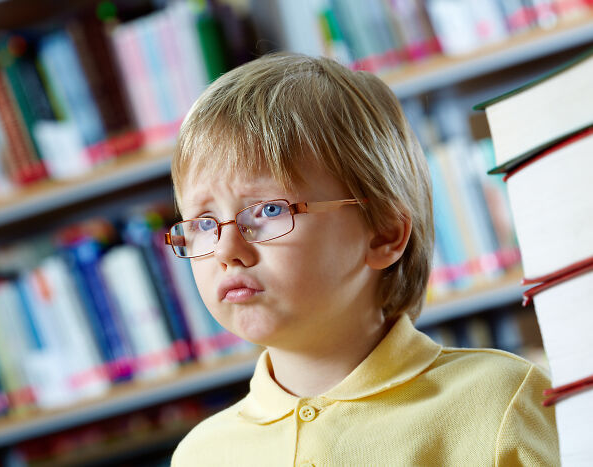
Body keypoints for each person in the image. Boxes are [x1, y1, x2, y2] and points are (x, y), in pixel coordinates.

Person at [165, 52, 559, 466]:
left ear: (384, 234)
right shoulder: (201, 455)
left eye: (269, 210)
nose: (227, 250)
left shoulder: (501, 403)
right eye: (204, 223)